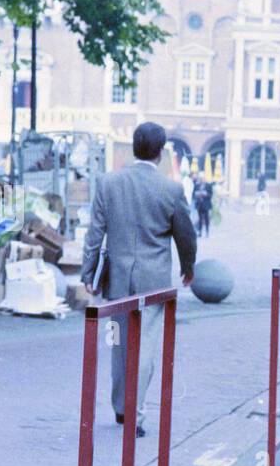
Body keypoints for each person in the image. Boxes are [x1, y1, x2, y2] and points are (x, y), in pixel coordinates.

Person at [81, 121, 196, 436]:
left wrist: (88, 272)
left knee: (117, 343)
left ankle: (120, 407)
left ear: (134, 147)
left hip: (116, 282)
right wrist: (189, 266)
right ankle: (135, 414)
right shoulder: (171, 190)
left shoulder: (108, 183)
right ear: (160, 153)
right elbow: (185, 235)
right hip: (152, 284)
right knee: (143, 348)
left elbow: (95, 234)